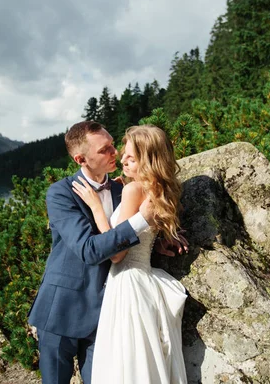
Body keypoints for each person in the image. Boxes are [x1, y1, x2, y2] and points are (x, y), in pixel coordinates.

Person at [27, 121, 186, 384]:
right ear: (81, 158)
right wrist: (140, 222)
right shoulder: (61, 193)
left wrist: (160, 238)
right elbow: (89, 250)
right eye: (105, 150)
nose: (115, 152)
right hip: (62, 311)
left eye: (113, 144)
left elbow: (133, 231)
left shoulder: (122, 188)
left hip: (108, 311)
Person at [72, 125, 188, 383]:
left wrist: (96, 208)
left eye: (131, 157)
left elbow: (117, 255)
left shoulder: (133, 190)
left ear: (148, 161)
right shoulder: (160, 190)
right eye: (123, 153)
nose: (121, 158)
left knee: (124, 363)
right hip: (145, 279)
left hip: (126, 283)